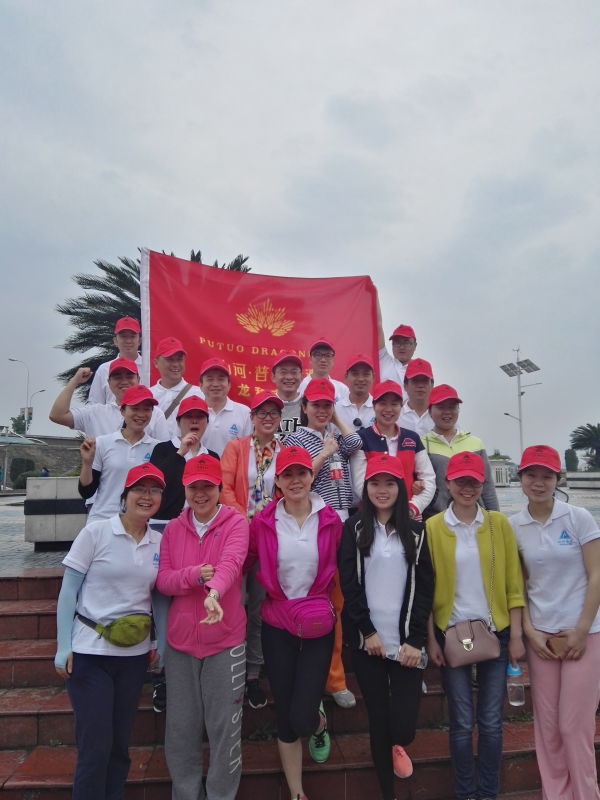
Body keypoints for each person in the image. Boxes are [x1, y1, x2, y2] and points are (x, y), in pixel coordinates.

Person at [54, 462, 166, 800]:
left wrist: (158, 641)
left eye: (154, 490)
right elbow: (68, 590)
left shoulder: (159, 542)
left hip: (133, 657)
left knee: (119, 744)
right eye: (139, 489)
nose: (146, 496)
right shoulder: (96, 533)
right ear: (124, 495)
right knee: (95, 744)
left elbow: (157, 597)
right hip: (90, 654)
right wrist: (63, 646)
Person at [426, 451, 525, 800]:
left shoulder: (498, 524)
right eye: (460, 481)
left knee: (492, 722)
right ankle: (465, 792)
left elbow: (514, 584)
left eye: (474, 481)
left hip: (495, 633)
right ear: (448, 483)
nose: (467, 488)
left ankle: (488, 792)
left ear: (483, 484)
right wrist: (431, 639)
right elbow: (426, 588)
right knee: (461, 722)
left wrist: (516, 635)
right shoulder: (434, 527)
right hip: (452, 633)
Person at [246, 445, 342, 799]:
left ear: (311, 476)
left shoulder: (330, 520)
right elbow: (244, 560)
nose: (295, 480)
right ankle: (297, 792)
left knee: (301, 717)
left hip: (317, 623)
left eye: (302, 473)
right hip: (278, 623)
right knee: (285, 715)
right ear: (278, 481)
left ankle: (317, 721)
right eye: (287, 474)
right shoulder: (263, 522)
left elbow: (349, 568)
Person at [339, 453, 434, 799]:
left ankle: (398, 745)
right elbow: (349, 584)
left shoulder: (417, 532)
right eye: (375, 483)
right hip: (369, 643)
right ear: (365, 487)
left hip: (405, 643)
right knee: (378, 720)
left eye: (389, 483)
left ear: (401, 488)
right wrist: (367, 632)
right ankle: (387, 792)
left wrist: (416, 640)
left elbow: (425, 587)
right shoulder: (354, 528)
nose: (382, 490)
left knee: (403, 727)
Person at [509, 444, 600, 800]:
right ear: (520, 478)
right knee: (547, 729)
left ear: (557, 479)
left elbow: (596, 575)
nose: (538, 482)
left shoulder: (578, 518)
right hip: (541, 638)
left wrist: (581, 629)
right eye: (531, 475)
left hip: (584, 634)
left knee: (573, 726)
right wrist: (529, 631)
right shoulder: (513, 526)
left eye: (546, 476)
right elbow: (518, 586)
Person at [156, 454, 249, 800]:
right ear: (184, 489)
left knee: (225, 729)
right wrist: (193, 576)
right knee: (180, 729)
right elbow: (164, 581)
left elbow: (231, 563)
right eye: (193, 487)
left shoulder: (236, 523)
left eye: (207, 486)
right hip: (181, 643)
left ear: (219, 488)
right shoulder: (173, 529)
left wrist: (213, 592)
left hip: (225, 641)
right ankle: (186, 794)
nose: (200, 494)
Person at [285, 377, 362, 709]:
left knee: (338, 603)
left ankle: (334, 678)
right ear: (304, 407)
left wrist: (336, 420)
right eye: (315, 405)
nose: (321, 410)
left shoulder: (335, 436)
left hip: (343, 526)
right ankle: (313, 678)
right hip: (314, 525)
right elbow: (296, 480)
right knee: (313, 600)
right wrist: (325, 452)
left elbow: (356, 442)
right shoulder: (296, 438)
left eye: (327, 405)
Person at [221, 391, 284, 710]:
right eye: (262, 413)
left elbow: (287, 491)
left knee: (259, 608)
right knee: (233, 605)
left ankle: (252, 675)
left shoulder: (285, 451)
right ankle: (229, 669)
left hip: (268, 540)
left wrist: (265, 524)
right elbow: (225, 488)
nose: (268, 418)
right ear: (252, 417)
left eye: (274, 413)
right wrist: (243, 523)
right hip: (238, 538)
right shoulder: (236, 447)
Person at [353, 380, 436, 520]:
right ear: (374, 405)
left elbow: (428, 479)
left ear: (401, 406)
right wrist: (383, 511)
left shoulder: (412, 438)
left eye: (394, 404)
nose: (388, 409)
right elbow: (359, 484)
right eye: (382, 403)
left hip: (409, 517)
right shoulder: (361, 438)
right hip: (372, 518)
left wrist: (412, 508)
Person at [78, 385, 159, 522]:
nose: (141, 414)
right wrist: (87, 463)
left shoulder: (158, 448)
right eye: (135, 408)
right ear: (122, 410)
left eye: (146, 409)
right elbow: (86, 492)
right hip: (103, 520)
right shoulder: (102, 443)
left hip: (140, 523)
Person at [421, 384, 499, 516]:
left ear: (458, 409)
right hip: (436, 518)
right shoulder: (421, 444)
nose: (447, 412)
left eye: (452, 407)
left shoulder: (476, 443)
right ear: (429, 411)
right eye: (441, 407)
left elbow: (487, 486)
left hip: (475, 519)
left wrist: (495, 518)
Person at [49, 358, 170, 440]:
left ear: (138, 380)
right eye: (117, 377)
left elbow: (164, 453)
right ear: (108, 382)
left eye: (129, 376)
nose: (124, 381)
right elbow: (57, 415)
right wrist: (74, 381)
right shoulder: (94, 413)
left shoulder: (155, 414)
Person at [149, 395, 219, 529]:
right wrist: (180, 453)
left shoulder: (212, 456)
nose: (194, 421)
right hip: (164, 523)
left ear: (207, 422)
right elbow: (155, 484)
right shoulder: (162, 449)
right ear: (178, 422)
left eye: (200, 417)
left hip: (201, 525)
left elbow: (216, 493)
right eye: (188, 416)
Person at [149, 336, 205, 437]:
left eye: (179, 359)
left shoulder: (199, 394)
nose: (175, 364)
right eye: (170, 359)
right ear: (156, 363)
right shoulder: (148, 396)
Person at [199, 357, 252, 455]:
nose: (215, 384)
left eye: (221, 379)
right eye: (210, 379)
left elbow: (248, 451)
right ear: (201, 385)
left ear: (229, 384)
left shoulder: (244, 413)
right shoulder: (193, 412)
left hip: (232, 465)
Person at [88, 317, 142, 405]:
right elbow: (94, 404)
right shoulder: (104, 369)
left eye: (132, 336)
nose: (128, 341)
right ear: (115, 341)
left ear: (139, 340)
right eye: (123, 336)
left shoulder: (150, 368)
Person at [377, 299, 417, 385]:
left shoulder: (420, 369)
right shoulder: (384, 361)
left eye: (406, 342)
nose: (401, 347)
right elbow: (377, 325)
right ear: (392, 345)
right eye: (397, 343)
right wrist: (374, 294)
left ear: (415, 345)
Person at [298, 337, 349, 403]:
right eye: (318, 355)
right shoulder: (300, 387)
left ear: (333, 360)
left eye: (328, 355)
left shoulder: (342, 390)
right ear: (310, 359)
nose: (323, 360)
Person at [335, 352, 376, 431]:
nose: (360, 379)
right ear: (346, 376)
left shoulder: (380, 410)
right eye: (355, 374)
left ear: (373, 377)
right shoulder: (335, 410)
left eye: (366, 374)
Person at [271, 351, 303, 441]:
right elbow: (256, 440)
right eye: (283, 372)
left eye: (294, 372)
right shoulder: (265, 406)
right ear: (273, 377)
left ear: (301, 376)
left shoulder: (311, 406)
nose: (289, 377)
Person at [398, 358, 435, 436]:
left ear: (432, 385)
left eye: (425, 381)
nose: (420, 385)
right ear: (405, 386)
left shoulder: (441, 416)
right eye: (415, 381)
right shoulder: (396, 416)